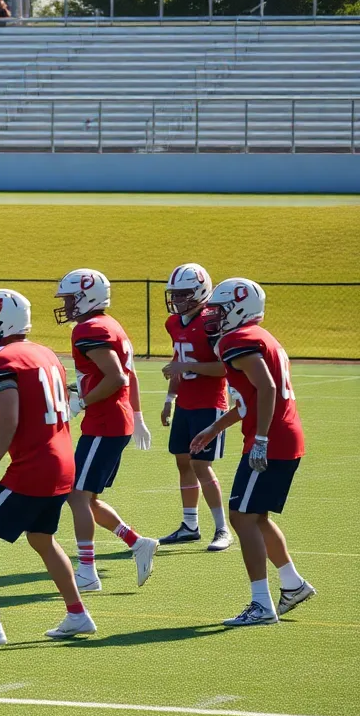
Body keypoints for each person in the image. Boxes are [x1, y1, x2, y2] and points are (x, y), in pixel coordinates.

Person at [0, 289, 94, 650]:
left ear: (0, 320)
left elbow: (9, 418)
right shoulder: (46, 352)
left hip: (34, 465)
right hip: (63, 460)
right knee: (41, 538)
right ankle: (77, 614)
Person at [190, 279, 315, 626]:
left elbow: (268, 387)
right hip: (283, 436)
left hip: (271, 438)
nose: (211, 315)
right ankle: (292, 584)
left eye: (218, 309)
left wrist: (260, 438)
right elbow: (251, 398)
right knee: (255, 516)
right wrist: (215, 428)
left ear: (239, 308)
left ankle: (261, 604)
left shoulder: (238, 339)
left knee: (242, 517)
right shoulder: (260, 336)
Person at [55, 268, 159, 592]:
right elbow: (128, 376)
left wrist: (82, 401)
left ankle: (87, 572)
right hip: (114, 419)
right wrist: (138, 416)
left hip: (105, 422)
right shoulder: (110, 325)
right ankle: (137, 543)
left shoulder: (90, 329)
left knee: (76, 496)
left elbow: (117, 378)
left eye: (72, 298)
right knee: (88, 497)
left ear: (87, 296)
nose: (68, 304)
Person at [158, 263, 232, 552]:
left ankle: (222, 529)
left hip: (209, 403)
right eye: (174, 294)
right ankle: (190, 525)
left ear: (201, 291)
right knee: (183, 462)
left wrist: (187, 366)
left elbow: (225, 368)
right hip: (186, 402)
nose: (177, 300)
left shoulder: (212, 322)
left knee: (202, 464)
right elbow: (178, 359)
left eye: (184, 294)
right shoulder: (174, 323)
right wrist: (169, 398)